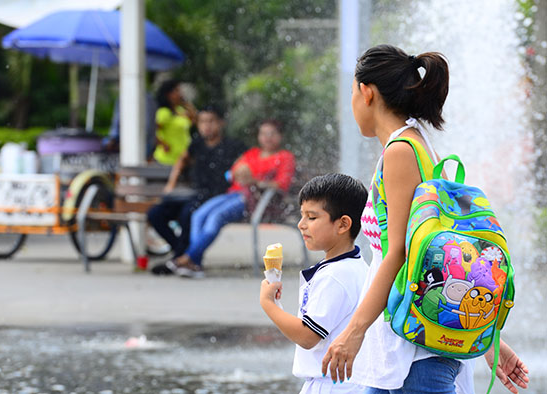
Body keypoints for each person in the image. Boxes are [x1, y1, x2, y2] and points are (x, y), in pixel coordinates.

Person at [320, 44, 529, 394]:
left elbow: (399, 253)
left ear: (366, 93)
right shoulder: (418, 145)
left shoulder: (401, 151)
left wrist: (353, 332)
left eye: (351, 95)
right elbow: (435, 253)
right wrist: (489, 343)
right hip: (415, 346)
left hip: (412, 355)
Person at [259, 173, 368, 394]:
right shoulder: (354, 266)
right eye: (302, 215)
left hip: (331, 385)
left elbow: (308, 336)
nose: (301, 225)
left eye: (312, 217)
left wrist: (268, 304)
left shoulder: (335, 276)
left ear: (343, 224)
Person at [168, 119, 296, 278]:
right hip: (234, 194)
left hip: (256, 202)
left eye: (272, 134)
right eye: (263, 133)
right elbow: (230, 175)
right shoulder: (252, 153)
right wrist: (237, 174)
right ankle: (195, 263)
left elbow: (282, 184)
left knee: (215, 217)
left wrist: (255, 182)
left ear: (280, 137)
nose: (267, 138)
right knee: (198, 214)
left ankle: (188, 258)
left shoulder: (285, 157)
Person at [149, 105, 246, 274]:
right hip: (195, 193)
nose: (206, 126)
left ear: (221, 123)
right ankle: (181, 253)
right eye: (202, 122)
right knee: (155, 213)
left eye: (211, 121)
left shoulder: (233, 146)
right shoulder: (197, 143)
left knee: (189, 213)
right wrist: (171, 184)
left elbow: (247, 166)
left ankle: (183, 258)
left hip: (217, 196)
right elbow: (182, 159)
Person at [152, 79, 197, 165]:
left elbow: (194, 120)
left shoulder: (179, 110)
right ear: (168, 95)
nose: (180, 93)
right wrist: (163, 144)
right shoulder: (164, 112)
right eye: (176, 91)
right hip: (166, 159)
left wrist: (187, 105)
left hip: (182, 159)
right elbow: (153, 130)